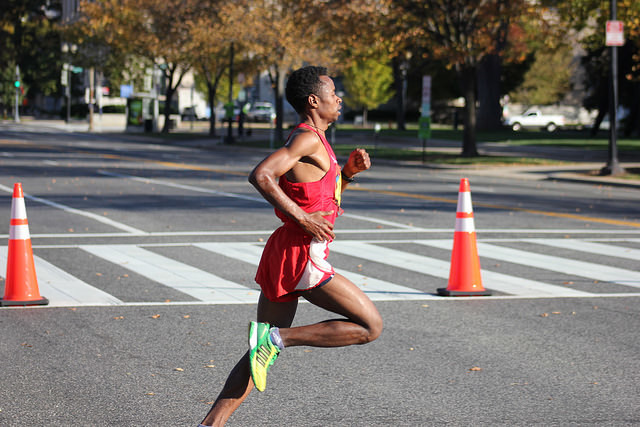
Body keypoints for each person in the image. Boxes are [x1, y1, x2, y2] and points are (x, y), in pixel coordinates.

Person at [199, 66, 383, 427]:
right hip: (301, 254)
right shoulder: (307, 139)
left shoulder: (316, 139)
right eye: (333, 93)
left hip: (286, 251)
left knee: (258, 353)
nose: (339, 98)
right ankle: (280, 338)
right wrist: (302, 219)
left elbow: (314, 195)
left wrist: (346, 174)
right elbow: (261, 175)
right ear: (314, 101)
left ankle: (211, 424)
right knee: (369, 326)